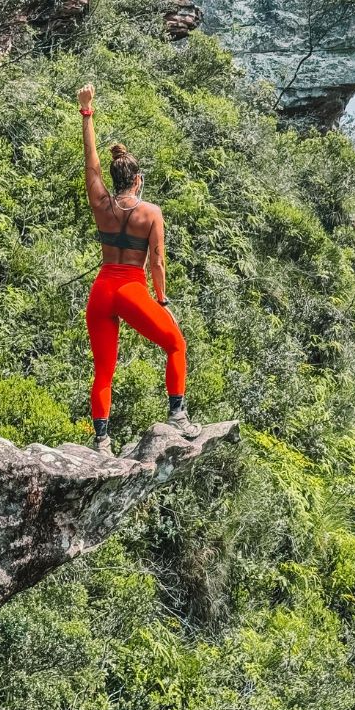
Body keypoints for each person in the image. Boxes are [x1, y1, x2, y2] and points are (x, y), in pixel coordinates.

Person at [77, 83, 201, 454]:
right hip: (131, 289)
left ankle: (102, 442)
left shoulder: (101, 204)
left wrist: (87, 112)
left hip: (101, 291)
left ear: (115, 180)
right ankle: (178, 415)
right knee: (176, 343)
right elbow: (158, 262)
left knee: (103, 369)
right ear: (138, 180)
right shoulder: (151, 213)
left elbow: (91, 162)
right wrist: (162, 300)